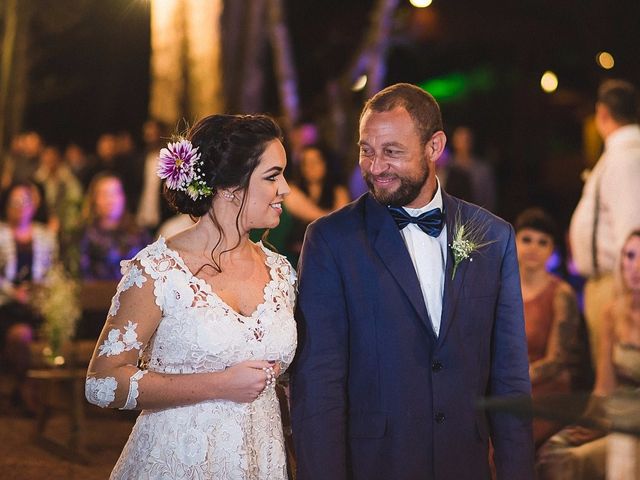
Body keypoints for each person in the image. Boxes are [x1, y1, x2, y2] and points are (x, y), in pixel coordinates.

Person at [290, 83, 534, 480]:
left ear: (434, 147)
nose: (374, 166)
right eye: (366, 150)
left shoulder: (492, 236)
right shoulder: (331, 240)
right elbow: (318, 384)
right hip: (375, 465)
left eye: (392, 151)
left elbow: (509, 378)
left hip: (463, 464)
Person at [85, 114, 297, 479]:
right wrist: (220, 385)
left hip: (260, 460)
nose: (286, 189)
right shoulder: (159, 270)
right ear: (230, 187)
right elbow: (102, 383)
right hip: (178, 461)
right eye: (272, 176)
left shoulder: (281, 272)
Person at [536, 230, 640, 480]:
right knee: (556, 451)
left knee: (623, 448)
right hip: (619, 417)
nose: (635, 266)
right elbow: (604, 387)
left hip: (629, 422)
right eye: (629, 256)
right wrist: (583, 424)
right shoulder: (612, 313)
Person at [569, 79, 640, 369]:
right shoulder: (620, 154)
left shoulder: (626, 157)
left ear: (602, 113)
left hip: (619, 286)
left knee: (618, 390)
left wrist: (628, 297)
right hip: (611, 285)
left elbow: (631, 232)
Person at [514, 207, 581, 446]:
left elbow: (557, 361)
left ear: (552, 250)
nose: (533, 248)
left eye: (542, 242)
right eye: (527, 239)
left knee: (509, 437)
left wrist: (513, 379)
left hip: (546, 390)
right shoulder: (499, 288)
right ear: (514, 241)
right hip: (505, 387)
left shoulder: (561, 294)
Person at [0, 182, 57, 412]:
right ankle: (27, 388)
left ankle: (25, 388)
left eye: (25, 201)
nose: (20, 207)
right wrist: (14, 292)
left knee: (52, 333)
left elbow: (53, 271)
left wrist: (41, 291)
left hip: (39, 303)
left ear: (34, 205)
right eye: (14, 202)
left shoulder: (45, 235)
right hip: (7, 304)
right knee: (20, 335)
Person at [79, 172, 150, 280]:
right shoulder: (85, 236)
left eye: (115, 193)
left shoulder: (139, 233)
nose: (110, 200)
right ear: (94, 200)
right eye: (104, 195)